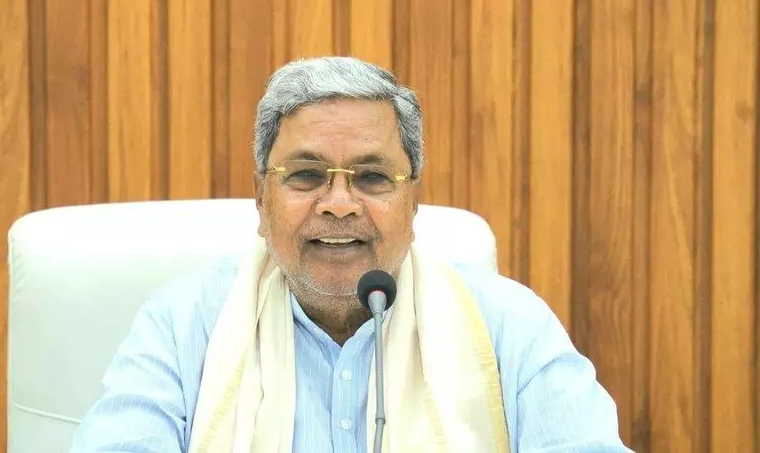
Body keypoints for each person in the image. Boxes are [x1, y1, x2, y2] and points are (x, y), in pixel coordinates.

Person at [70, 56, 632, 452]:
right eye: (306, 175)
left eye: (372, 177)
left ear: (413, 204)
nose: (339, 204)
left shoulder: (509, 326)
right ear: (261, 201)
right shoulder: (182, 325)